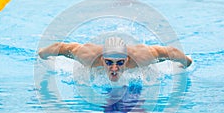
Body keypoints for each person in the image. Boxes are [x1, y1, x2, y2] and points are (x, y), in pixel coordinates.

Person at [38, 36, 192, 82]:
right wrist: (42, 54)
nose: (114, 68)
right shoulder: (87, 56)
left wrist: (186, 62)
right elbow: (62, 47)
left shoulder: (142, 57)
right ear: (102, 59)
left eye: (120, 63)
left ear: (127, 59)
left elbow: (170, 51)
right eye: (109, 63)